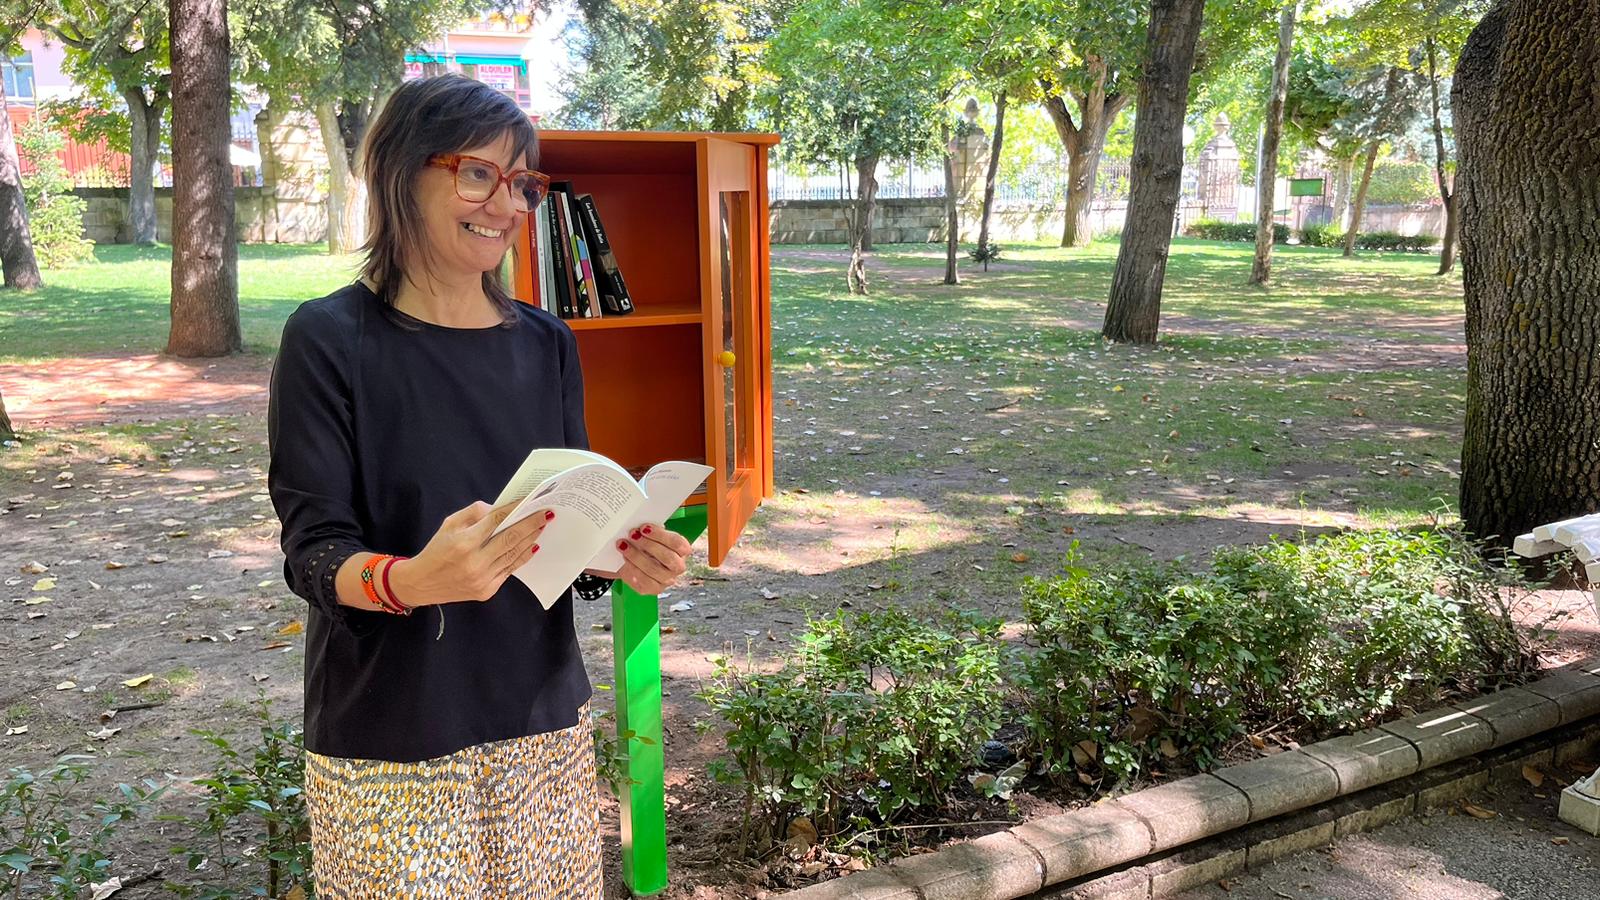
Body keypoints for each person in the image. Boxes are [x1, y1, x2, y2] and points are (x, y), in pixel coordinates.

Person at [267, 74, 692, 898]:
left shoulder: (544, 342)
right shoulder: (326, 339)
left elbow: (563, 519)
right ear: (399, 172)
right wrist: (414, 580)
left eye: (523, 183)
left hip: (538, 712)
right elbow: (313, 557)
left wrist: (622, 554)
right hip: (390, 727)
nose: (504, 204)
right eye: (477, 173)